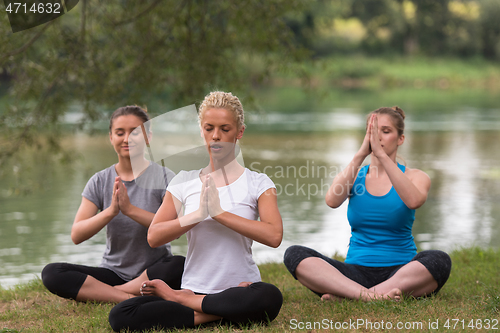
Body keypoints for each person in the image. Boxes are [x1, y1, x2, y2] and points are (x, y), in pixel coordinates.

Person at [108, 91, 284, 332]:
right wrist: (197, 215)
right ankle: (218, 311)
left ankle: (187, 302)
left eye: (225, 129)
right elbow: (154, 235)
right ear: (201, 131)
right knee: (122, 314)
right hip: (196, 286)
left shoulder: (259, 182)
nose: (216, 136)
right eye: (209, 128)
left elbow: (274, 236)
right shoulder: (184, 181)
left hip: (241, 289)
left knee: (269, 296)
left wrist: (219, 213)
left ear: (239, 132)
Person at [284, 106, 452, 301]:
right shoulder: (355, 176)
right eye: (373, 132)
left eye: (386, 131)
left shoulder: (415, 176)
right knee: (294, 255)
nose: (378, 137)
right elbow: (331, 200)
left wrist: (381, 156)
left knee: (439, 260)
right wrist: (360, 155)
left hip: (401, 273)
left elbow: (414, 200)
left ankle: (350, 296)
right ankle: (371, 296)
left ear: (400, 139)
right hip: (355, 273)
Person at [41, 105, 185, 302]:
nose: (127, 139)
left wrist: (130, 210)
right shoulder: (99, 180)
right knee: (52, 272)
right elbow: (77, 234)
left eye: (135, 132)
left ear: (148, 137)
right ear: (111, 137)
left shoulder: (165, 177)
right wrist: (110, 211)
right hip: (112, 272)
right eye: (120, 133)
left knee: (179, 264)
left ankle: (111, 293)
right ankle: (126, 297)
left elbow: (175, 230)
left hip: (154, 270)